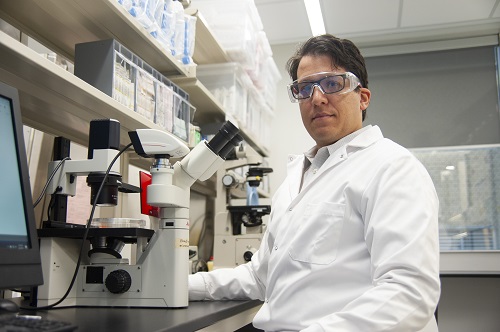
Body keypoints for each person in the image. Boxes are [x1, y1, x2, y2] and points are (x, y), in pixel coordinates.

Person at [189, 34, 440, 332]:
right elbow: (260, 277)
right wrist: (179, 286)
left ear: (363, 98)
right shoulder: (296, 180)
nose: (317, 98)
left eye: (332, 84)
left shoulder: (392, 167)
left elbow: (409, 292)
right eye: (305, 88)